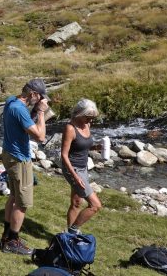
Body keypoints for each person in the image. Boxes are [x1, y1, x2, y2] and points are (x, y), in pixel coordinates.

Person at [0, 78, 50, 255]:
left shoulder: (11, 101)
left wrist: (35, 109)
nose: (41, 100)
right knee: (22, 203)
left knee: (13, 196)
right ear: (33, 94)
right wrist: (42, 113)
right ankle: (12, 242)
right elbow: (40, 137)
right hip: (19, 158)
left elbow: (21, 121)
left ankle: (6, 235)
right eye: (40, 97)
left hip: (8, 153)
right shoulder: (20, 110)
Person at [60, 98, 103, 234]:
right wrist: (75, 176)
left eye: (92, 118)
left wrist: (97, 147)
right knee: (95, 205)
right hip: (73, 169)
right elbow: (64, 155)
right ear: (79, 114)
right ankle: (73, 230)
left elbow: (83, 146)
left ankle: (69, 237)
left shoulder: (87, 125)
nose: (90, 121)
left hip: (82, 168)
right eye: (88, 118)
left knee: (76, 202)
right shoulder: (70, 128)